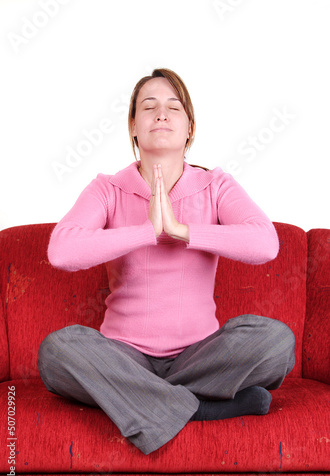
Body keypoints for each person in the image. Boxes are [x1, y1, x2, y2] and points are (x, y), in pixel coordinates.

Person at [38, 68, 295, 455]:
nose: (161, 114)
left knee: (277, 342)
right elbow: (61, 251)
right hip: (124, 358)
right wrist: (146, 231)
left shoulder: (216, 185)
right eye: (149, 106)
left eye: (173, 107)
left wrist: (181, 230)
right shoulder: (107, 188)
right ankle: (201, 409)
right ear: (134, 128)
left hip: (200, 355)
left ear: (189, 128)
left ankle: (146, 405)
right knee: (57, 352)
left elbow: (265, 243)